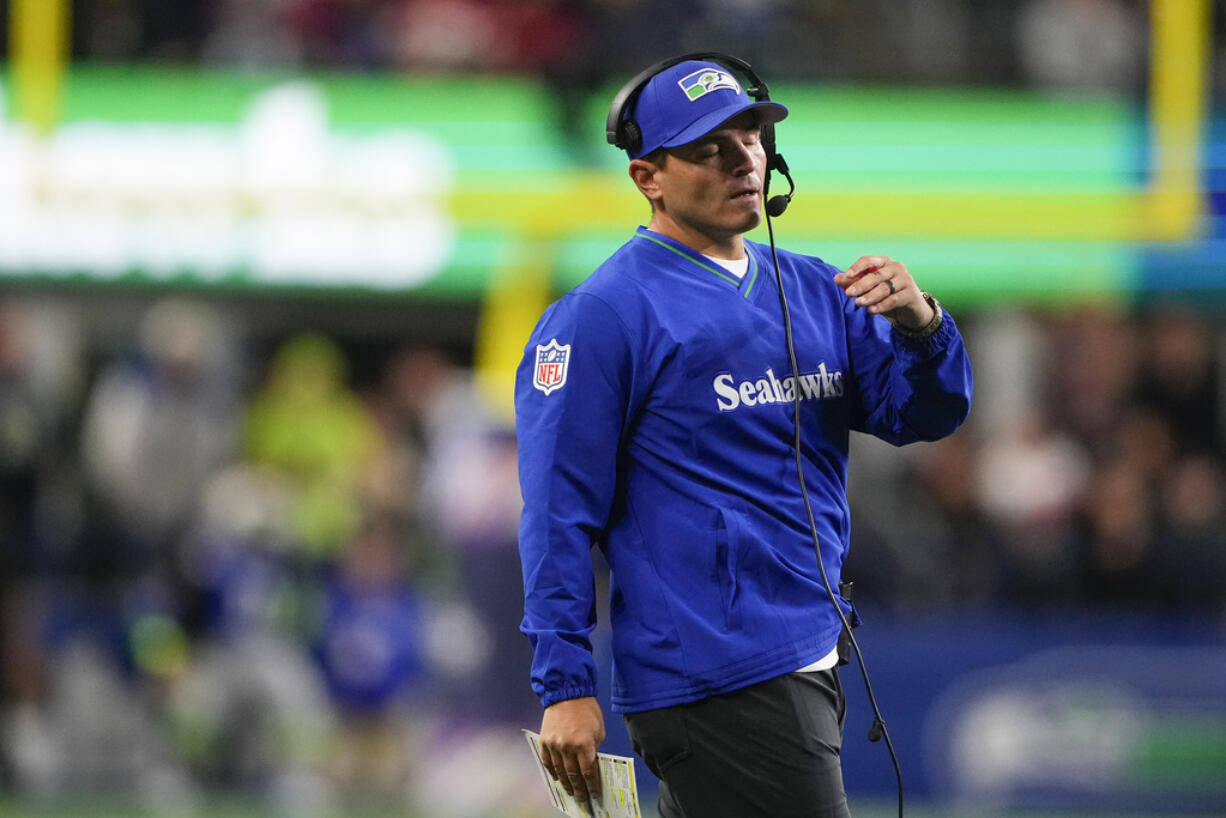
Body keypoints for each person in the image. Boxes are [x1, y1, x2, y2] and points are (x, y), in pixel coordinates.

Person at [515, 54, 973, 817]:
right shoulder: (603, 315)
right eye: (708, 149)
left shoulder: (816, 289)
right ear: (646, 177)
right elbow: (557, 513)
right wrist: (565, 684)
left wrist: (922, 328)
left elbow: (922, 416)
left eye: (752, 138)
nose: (744, 161)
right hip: (715, 674)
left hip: (805, 653)